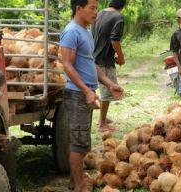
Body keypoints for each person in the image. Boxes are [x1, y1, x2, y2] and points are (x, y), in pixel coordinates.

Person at [60, 0, 124, 191]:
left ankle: (74, 182)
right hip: (77, 93)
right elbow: (67, 65)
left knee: (81, 140)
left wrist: (110, 84)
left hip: (85, 92)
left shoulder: (86, 32)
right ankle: (79, 186)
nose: (96, 12)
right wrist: (87, 90)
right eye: (92, 8)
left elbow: (90, 64)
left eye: (96, 8)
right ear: (79, 8)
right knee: (79, 142)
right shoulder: (71, 31)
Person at [93, 0, 127, 132]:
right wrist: (121, 57)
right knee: (107, 92)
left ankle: (103, 118)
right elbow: (115, 40)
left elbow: (97, 36)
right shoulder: (118, 17)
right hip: (104, 59)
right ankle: (102, 123)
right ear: (123, 5)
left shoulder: (99, 13)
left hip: (95, 56)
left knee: (103, 90)